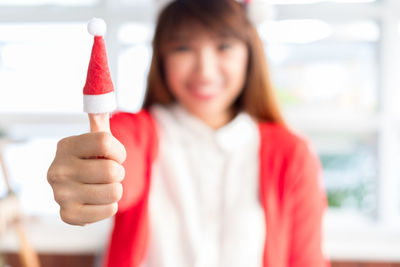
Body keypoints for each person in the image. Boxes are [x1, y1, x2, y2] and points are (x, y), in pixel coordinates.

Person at [47, 0, 329, 266]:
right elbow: (118, 158)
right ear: (161, 58)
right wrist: (90, 175)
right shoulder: (140, 133)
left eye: (224, 46)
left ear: (250, 54)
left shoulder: (291, 153)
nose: (205, 71)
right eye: (183, 48)